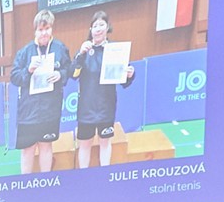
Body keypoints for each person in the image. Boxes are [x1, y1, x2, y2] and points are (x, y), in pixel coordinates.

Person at [70, 10, 136, 169]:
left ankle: (104, 174)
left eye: (101, 25)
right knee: (84, 144)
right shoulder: (84, 51)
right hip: (87, 108)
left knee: (105, 142)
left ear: (107, 28)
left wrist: (130, 74)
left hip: (106, 107)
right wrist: (81, 54)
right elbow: (73, 74)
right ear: (90, 30)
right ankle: (84, 175)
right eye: (95, 26)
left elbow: (124, 81)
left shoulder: (115, 50)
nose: (98, 29)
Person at [9, 9, 71, 175]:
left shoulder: (60, 49)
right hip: (28, 112)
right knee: (28, 149)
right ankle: (26, 183)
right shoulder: (25, 52)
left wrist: (60, 74)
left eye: (47, 28)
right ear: (35, 31)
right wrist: (28, 70)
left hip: (49, 110)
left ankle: (46, 181)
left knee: (46, 146)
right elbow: (14, 77)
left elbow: (69, 69)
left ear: (52, 28)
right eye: (40, 29)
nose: (44, 33)